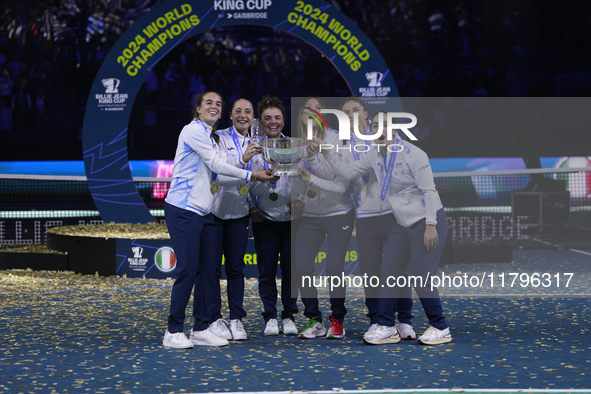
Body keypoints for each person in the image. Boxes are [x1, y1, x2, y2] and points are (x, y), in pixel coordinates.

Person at [313, 112, 452, 346]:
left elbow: (430, 192)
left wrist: (431, 225)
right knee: (388, 273)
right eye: (376, 126)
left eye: (385, 125)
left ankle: (440, 327)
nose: (380, 130)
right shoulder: (374, 155)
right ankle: (386, 325)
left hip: (426, 221)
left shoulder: (413, 155)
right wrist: (327, 152)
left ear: (395, 130)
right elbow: (347, 172)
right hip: (401, 224)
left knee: (420, 275)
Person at [163, 91, 274, 349]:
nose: (214, 107)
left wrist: (255, 175)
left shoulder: (210, 137)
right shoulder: (192, 131)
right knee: (189, 270)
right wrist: (253, 175)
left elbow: (220, 177)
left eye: (218, 104)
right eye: (208, 103)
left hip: (203, 212)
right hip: (183, 208)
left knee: (205, 272)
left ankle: (201, 326)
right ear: (198, 109)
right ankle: (173, 330)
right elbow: (216, 165)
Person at [320, 99, 416, 340]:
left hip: (393, 214)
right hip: (365, 216)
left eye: (355, 110)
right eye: (345, 113)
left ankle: (404, 320)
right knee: (370, 270)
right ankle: (377, 320)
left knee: (399, 270)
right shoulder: (341, 144)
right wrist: (328, 156)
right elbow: (345, 175)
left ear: (365, 114)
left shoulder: (383, 137)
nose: (350, 115)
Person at [293, 97, 356, 340]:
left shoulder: (337, 138)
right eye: (308, 109)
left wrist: (318, 161)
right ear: (301, 117)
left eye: (318, 108)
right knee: (303, 267)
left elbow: (340, 184)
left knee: (333, 269)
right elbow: (297, 180)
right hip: (309, 215)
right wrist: (298, 196)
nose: (313, 112)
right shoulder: (296, 143)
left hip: (339, 212)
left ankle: (337, 319)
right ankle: (314, 319)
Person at [209, 98, 262, 341]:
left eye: (248, 112)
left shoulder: (259, 141)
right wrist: (243, 160)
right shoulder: (217, 137)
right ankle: (214, 319)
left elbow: (254, 181)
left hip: (240, 214)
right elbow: (219, 174)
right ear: (230, 115)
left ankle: (236, 319)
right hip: (214, 213)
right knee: (211, 270)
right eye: (238, 111)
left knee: (236, 270)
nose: (243, 115)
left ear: (253, 116)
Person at [249, 96, 300, 336]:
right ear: (260, 121)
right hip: (265, 220)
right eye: (267, 118)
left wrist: (301, 201)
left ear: (283, 120)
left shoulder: (294, 146)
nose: (273, 122)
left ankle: (289, 316)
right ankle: (270, 316)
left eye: (277, 117)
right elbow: (243, 181)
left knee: (291, 272)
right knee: (266, 272)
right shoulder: (253, 149)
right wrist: (251, 207)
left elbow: (304, 180)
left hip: (291, 221)